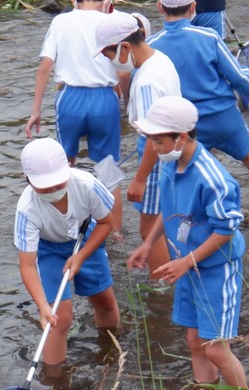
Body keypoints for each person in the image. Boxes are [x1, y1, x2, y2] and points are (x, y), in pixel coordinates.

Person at [127, 96, 248, 389]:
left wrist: (187, 261)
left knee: (216, 347)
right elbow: (171, 212)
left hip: (216, 268)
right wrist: (149, 243)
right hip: (188, 266)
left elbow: (226, 230)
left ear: (181, 137)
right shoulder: (172, 164)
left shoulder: (213, 179)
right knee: (195, 340)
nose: (154, 148)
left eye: (158, 141)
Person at [149, 0, 249, 220]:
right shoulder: (208, 36)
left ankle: (192, 218)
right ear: (193, 7)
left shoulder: (153, 45)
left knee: (189, 169)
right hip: (223, 115)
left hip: (187, 124)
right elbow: (236, 75)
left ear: (160, 7)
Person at [14, 138, 120, 367]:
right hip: (49, 249)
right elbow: (28, 265)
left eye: (58, 183)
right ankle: (55, 380)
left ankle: (111, 353)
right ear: (27, 179)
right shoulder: (26, 209)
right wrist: (42, 305)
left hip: (86, 240)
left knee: (105, 301)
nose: (53, 190)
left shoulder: (87, 185)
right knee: (58, 319)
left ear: (69, 169)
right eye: (45, 186)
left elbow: (106, 223)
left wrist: (81, 255)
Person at [25, 0, 125, 235]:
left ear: (73, 1)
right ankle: (116, 234)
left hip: (70, 99)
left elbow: (45, 67)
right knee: (109, 171)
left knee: (63, 166)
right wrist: (126, 104)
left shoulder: (61, 21)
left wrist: (35, 111)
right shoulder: (112, 22)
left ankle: (67, 228)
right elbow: (122, 72)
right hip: (104, 99)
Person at [95, 11, 181, 279]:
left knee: (149, 232)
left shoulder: (146, 83)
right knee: (166, 226)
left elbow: (152, 139)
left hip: (157, 162)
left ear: (124, 47)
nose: (112, 63)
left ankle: (163, 287)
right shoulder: (160, 60)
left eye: (110, 56)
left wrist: (139, 180)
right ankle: (177, 272)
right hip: (173, 154)